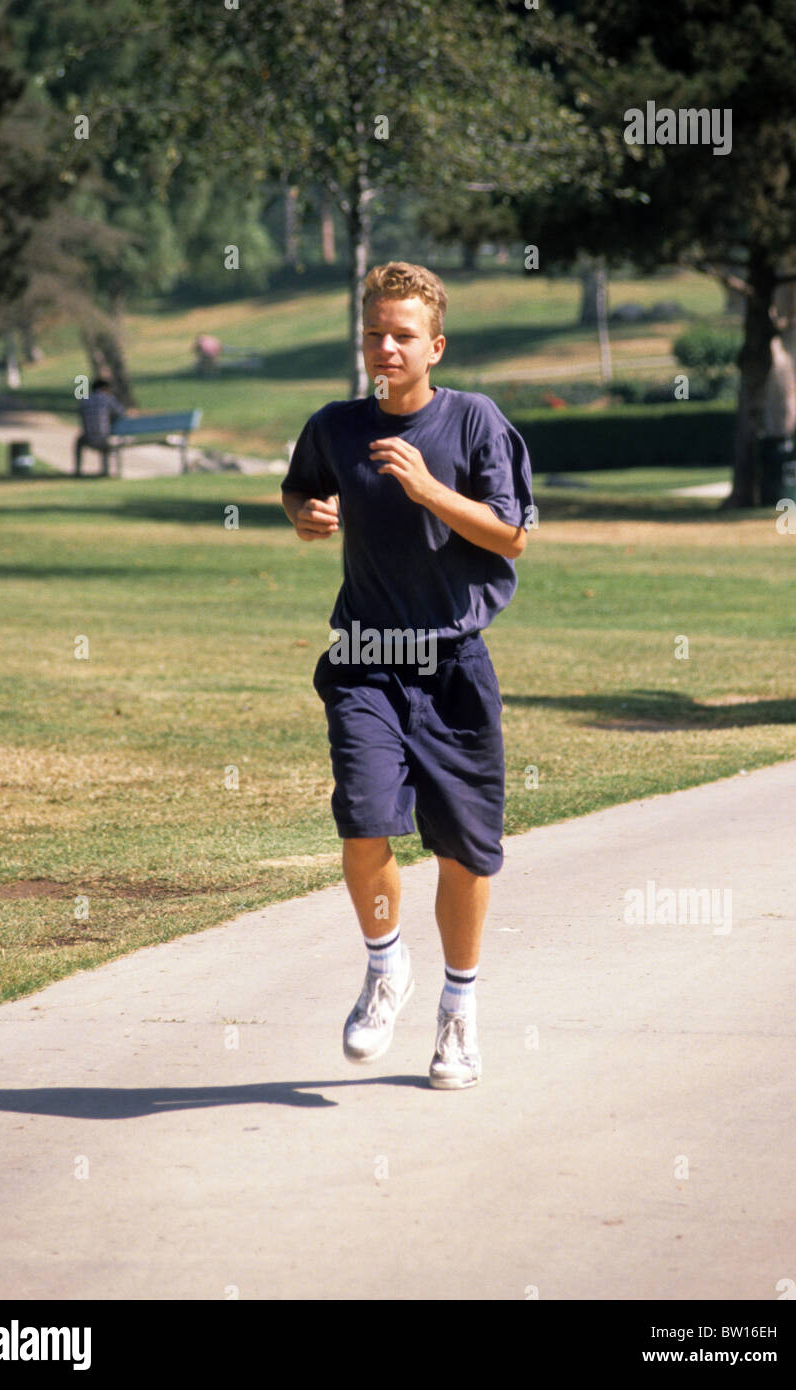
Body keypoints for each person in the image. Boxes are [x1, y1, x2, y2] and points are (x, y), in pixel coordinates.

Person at [280, 261, 534, 1089]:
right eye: (373, 334)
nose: (384, 348)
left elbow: (509, 536)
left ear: (435, 345)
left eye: (401, 336)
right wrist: (308, 517)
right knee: (363, 822)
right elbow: (301, 495)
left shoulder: (474, 422)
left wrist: (429, 490)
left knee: (465, 852)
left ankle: (458, 1011)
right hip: (364, 660)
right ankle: (386, 966)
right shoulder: (334, 425)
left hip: (453, 666)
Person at [74, 377, 126, 476]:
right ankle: (105, 471)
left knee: (79, 441)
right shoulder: (108, 398)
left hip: (88, 437)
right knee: (106, 439)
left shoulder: (85, 400)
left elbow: (81, 415)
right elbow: (120, 413)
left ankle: (78, 470)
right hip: (104, 438)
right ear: (105, 388)